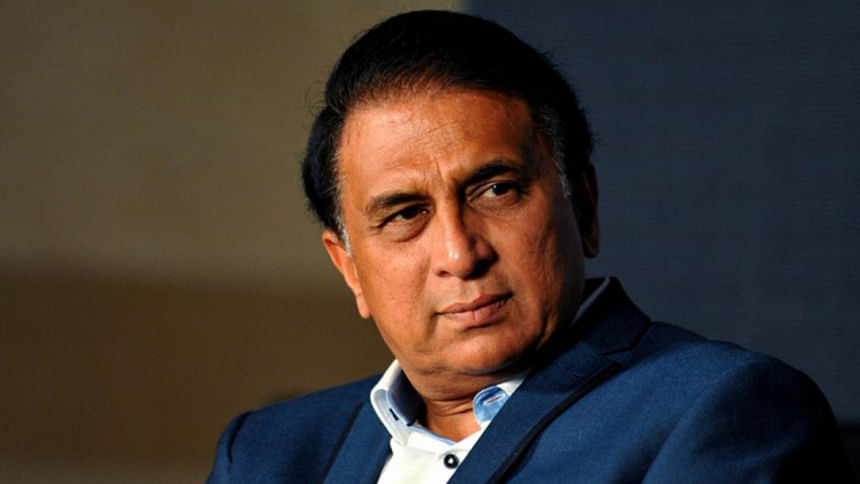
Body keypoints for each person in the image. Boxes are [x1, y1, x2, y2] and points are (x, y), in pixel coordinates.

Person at [207, 10, 853, 483]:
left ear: (585, 206)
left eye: (496, 190)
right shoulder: (266, 455)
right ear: (349, 267)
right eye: (405, 214)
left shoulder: (720, 411)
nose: (459, 255)